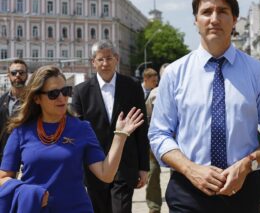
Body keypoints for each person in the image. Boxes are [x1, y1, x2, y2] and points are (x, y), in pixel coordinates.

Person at [148, 0, 260, 213]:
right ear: (195, 20)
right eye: (206, 12)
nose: (214, 18)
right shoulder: (174, 74)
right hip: (188, 188)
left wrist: (246, 165)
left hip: (244, 187)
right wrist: (191, 169)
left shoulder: (259, 73)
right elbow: (159, 133)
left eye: (222, 11)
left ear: (234, 19)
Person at [0, 65, 144, 212]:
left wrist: (120, 136)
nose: (62, 97)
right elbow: (3, 178)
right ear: (37, 98)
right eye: (53, 93)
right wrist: (30, 193)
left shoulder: (81, 128)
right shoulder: (21, 131)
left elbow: (106, 174)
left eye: (66, 91)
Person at [72, 40, 149, 213]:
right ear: (93, 62)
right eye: (100, 59)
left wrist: (144, 166)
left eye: (109, 58)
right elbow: (77, 133)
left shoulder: (132, 87)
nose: (105, 63)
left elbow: (141, 129)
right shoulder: (81, 92)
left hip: (125, 165)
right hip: (94, 167)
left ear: (117, 59)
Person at [145, 63, 169, 213]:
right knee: (152, 174)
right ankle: (154, 208)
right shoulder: (154, 93)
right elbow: (147, 114)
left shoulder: (182, 91)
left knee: (179, 175)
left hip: (177, 142)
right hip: (155, 142)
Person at [0, 59, 28, 164]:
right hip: (5, 156)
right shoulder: (2, 101)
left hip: (26, 155)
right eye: (14, 73)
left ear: (26, 75)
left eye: (21, 73)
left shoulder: (35, 100)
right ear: (9, 76)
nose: (17, 75)